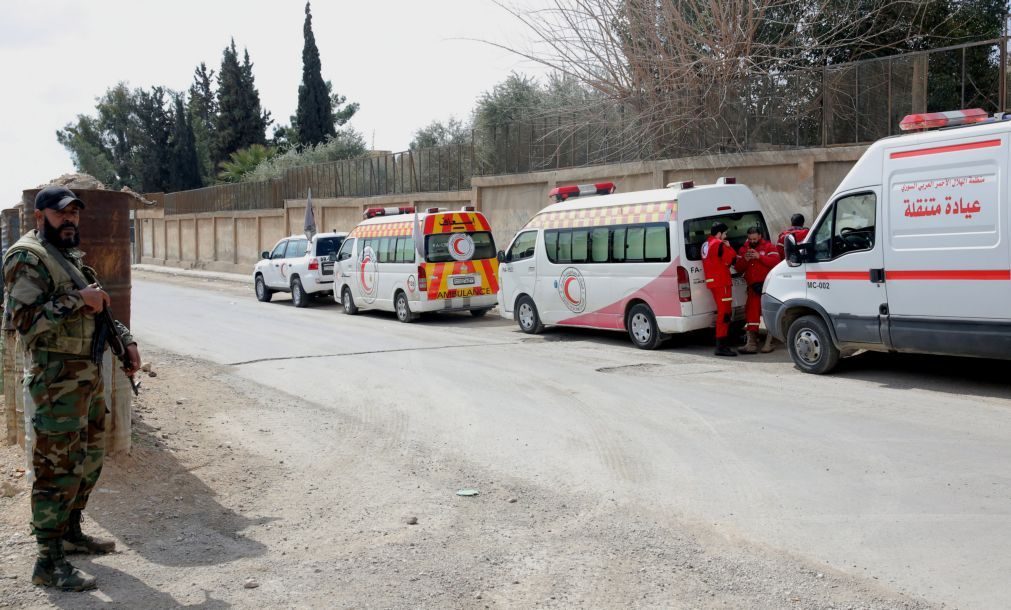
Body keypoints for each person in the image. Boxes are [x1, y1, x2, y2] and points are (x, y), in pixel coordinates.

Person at [2, 186, 142, 591]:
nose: (71, 220)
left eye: (75, 214)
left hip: (86, 378)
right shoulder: (26, 257)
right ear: (39, 215)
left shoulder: (69, 257)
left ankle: (70, 531)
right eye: (62, 214)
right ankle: (47, 560)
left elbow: (100, 306)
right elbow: (24, 322)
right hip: (56, 382)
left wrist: (126, 341)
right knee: (56, 470)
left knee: (89, 459)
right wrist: (76, 301)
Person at [734, 226, 781, 354]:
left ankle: (769, 342)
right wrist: (746, 259)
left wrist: (759, 257)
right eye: (750, 239)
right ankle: (751, 343)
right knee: (752, 314)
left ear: (760, 236)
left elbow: (776, 262)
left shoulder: (769, 247)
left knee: (768, 313)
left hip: (767, 287)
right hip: (753, 287)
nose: (753, 241)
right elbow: (738, 268)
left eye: (755, 238)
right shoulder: (743, 249)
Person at [702, 222, 737, 357]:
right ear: (720, 233)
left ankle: (722, 343)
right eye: (725, 233)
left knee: (723, 313)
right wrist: (729, 247)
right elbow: (731, 260)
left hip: (713, 282)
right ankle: (721, 346)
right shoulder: (718, 244)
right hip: (721, 282)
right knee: (725, 314)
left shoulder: (706, 244)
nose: (726, 235)